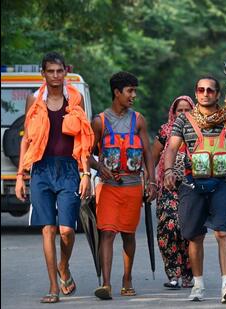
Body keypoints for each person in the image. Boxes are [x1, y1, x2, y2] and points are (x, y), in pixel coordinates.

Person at [14, 51, 94, 303]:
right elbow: (27, 137)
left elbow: (82, 138)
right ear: (43, 73)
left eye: (60, 71)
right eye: (51, 71)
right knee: (48, 229)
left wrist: (85, 174)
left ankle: (63, 266)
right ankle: (53, 287)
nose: (56, 76)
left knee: (67, 230)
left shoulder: (75, 98)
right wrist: (20, 175)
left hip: (69, 168)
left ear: (65, 72)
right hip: (41, 169)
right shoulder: (34, 100)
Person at [163, 76, 226, 303]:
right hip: (192, 186)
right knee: (195, 236)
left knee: (222, 232)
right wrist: (168, 170)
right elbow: (171, 148)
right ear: (196, 93)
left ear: (218, 94)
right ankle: (198, 284)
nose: (205, 93)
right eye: (201, 89)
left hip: (222, 184)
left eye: (210, 90)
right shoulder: (184, 120)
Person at [89, 71, 157, 300]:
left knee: (128, 235)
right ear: (116, 92)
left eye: (134, 91)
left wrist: (152, 181)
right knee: (107, 232)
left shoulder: (138, 120)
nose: (133, 95)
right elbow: (86, 154)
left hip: (133, 186)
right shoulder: (100, 121)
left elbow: (148, 152)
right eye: (129, 91)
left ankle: (127, 279)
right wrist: (99, 168)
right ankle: (106, 284)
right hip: (108, 187)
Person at [152, 95, 195, 289]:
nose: (184, 114)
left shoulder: (199, 131)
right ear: (173, 112)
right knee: (168, 228)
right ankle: (173, 274)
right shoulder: (165, 131)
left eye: (187, 110)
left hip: (192, 188)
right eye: (180, 110)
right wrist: (150, 183)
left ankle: (189, 273)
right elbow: (152, 157)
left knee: (188, 230)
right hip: (167, 188)